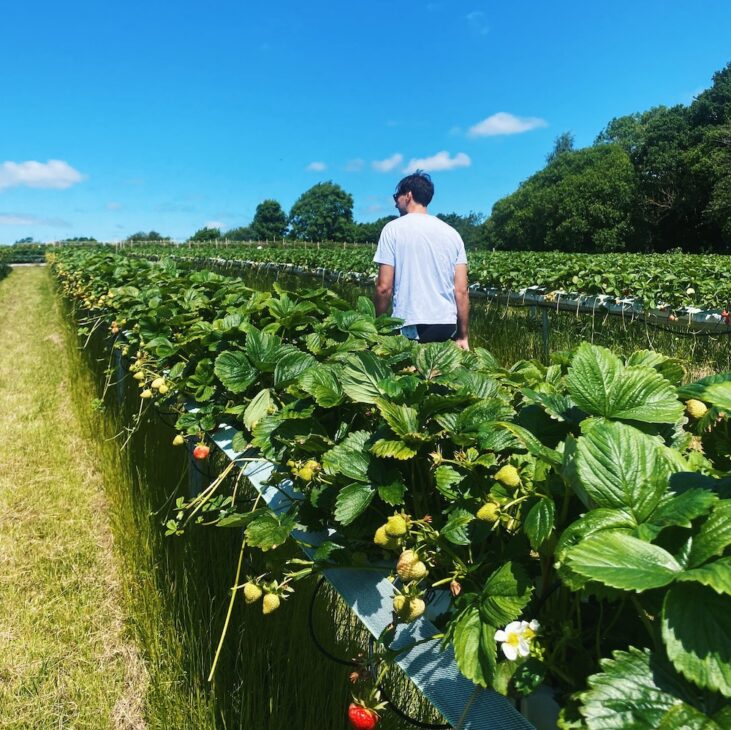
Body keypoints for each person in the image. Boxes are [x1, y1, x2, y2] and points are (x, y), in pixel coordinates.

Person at [373, 171, 469, 350]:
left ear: (408, 195)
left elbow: (384, 287)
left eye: (396, 196)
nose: (395, 203)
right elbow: (461, 290)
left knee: (408, 375)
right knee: (439, 375)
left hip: (411, 323)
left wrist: (376, 326)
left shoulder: (392, 229)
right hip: (446, 324)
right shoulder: (452, 233)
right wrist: (463, 335)